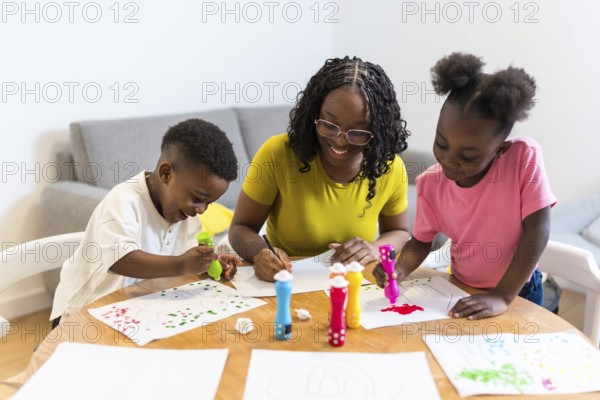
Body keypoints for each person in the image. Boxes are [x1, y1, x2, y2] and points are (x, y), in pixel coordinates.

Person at [374, 52, 557, 320]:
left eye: (468, 155)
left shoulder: (522, 158)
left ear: (500, 149)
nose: (449, 160)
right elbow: (421, 243)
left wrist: (502, 296)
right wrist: (399, 268)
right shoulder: (430, 184)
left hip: (517, 291)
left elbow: (538, 230)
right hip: (459, 286)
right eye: (442, 143)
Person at [229, 56, 411, 282]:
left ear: (378, 131)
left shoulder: (389, 167)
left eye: (358, 132)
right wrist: (260, 252)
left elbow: (401, 233)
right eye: (329, 125)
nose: (341, 142)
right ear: (313, 115)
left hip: (351, 285)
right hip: (284, 280)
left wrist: (374, 249)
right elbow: (240, 228)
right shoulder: (278, 153)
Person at [50, 119, 241, 325]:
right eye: (197, 198)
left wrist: (208, 263)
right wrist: (181, 264)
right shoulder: (125, 200)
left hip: (137, 310)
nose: (201, 210)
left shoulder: (186, 217)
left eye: (209, 203)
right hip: (82, 315)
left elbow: (189, 257)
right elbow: (121, 260)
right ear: (166, 173)